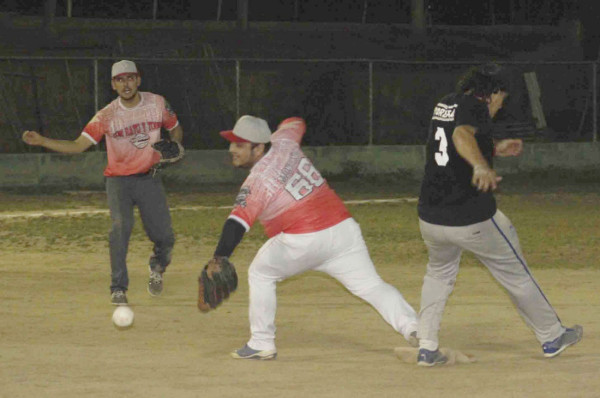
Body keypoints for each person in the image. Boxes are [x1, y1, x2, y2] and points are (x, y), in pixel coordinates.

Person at [208, 115, 418, 360]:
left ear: (259, 147)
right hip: (343, 232)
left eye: (240, 145)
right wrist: (281, 129)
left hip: (303, 240)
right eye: (232, 143)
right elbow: (295, 122)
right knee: (372, 286)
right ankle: (414, 328)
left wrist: (219, 257)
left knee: (261, 273)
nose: (232, 150)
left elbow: (236, 224)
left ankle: (261, 343)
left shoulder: (258, 181)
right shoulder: (284, 142)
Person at [415, 63, 583, 366]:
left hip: (430, 216)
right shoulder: (476, 107)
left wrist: (495, 148)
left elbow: (457, 137)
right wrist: (481, 166)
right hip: (470, 216)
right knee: (515, 274)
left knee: (438, 274)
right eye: (500, 99)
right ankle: (552, 336)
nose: (499, 106)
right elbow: (462, 136)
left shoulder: (446, 103)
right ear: (489, 94)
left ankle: (427, 347)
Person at [22, 60, 183, 306]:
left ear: (138, 79)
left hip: (149, 178)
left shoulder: (157, 103)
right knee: (120, 227)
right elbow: (78, 146)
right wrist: (42, 141)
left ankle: (157, 267)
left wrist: (176, 145)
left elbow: (175, 128)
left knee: (164, 236)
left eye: (130, 78)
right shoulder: (106, 116)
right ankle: (118, 287)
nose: (126, 84)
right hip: (118, 181)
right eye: (119, 80)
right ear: (113, 85)